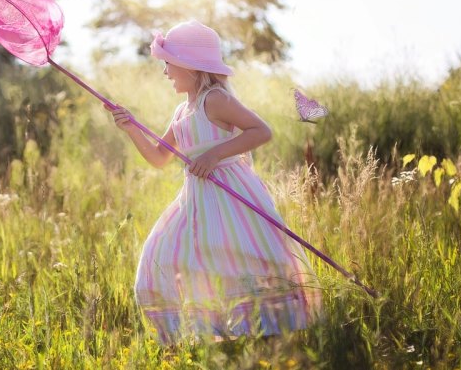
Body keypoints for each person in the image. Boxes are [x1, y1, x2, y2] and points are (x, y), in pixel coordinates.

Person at [107, 20, 321, 345]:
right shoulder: (182, 111)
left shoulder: (215, 99)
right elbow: (158, 157)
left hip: (230, 195)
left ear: (190, 66)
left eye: (169, 63)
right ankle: (203, 334)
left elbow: (261, 131)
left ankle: (268, 336)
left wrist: (214, 155)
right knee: (161, 255)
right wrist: (132, 128)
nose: (165, 72)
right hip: (196, 199)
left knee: (240, 257)